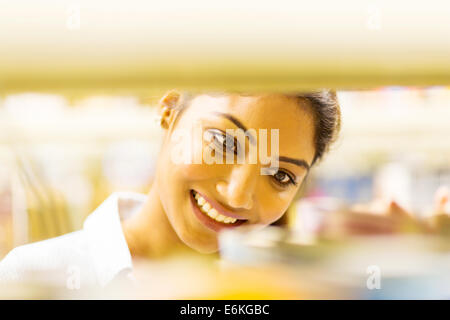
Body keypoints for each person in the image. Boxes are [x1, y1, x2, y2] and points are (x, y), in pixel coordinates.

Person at [0, 90, 341, 287]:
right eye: (223, 142)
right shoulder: (32, 275)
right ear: (169, 113)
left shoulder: (287, 291)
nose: (237, 194)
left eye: (280, 175)